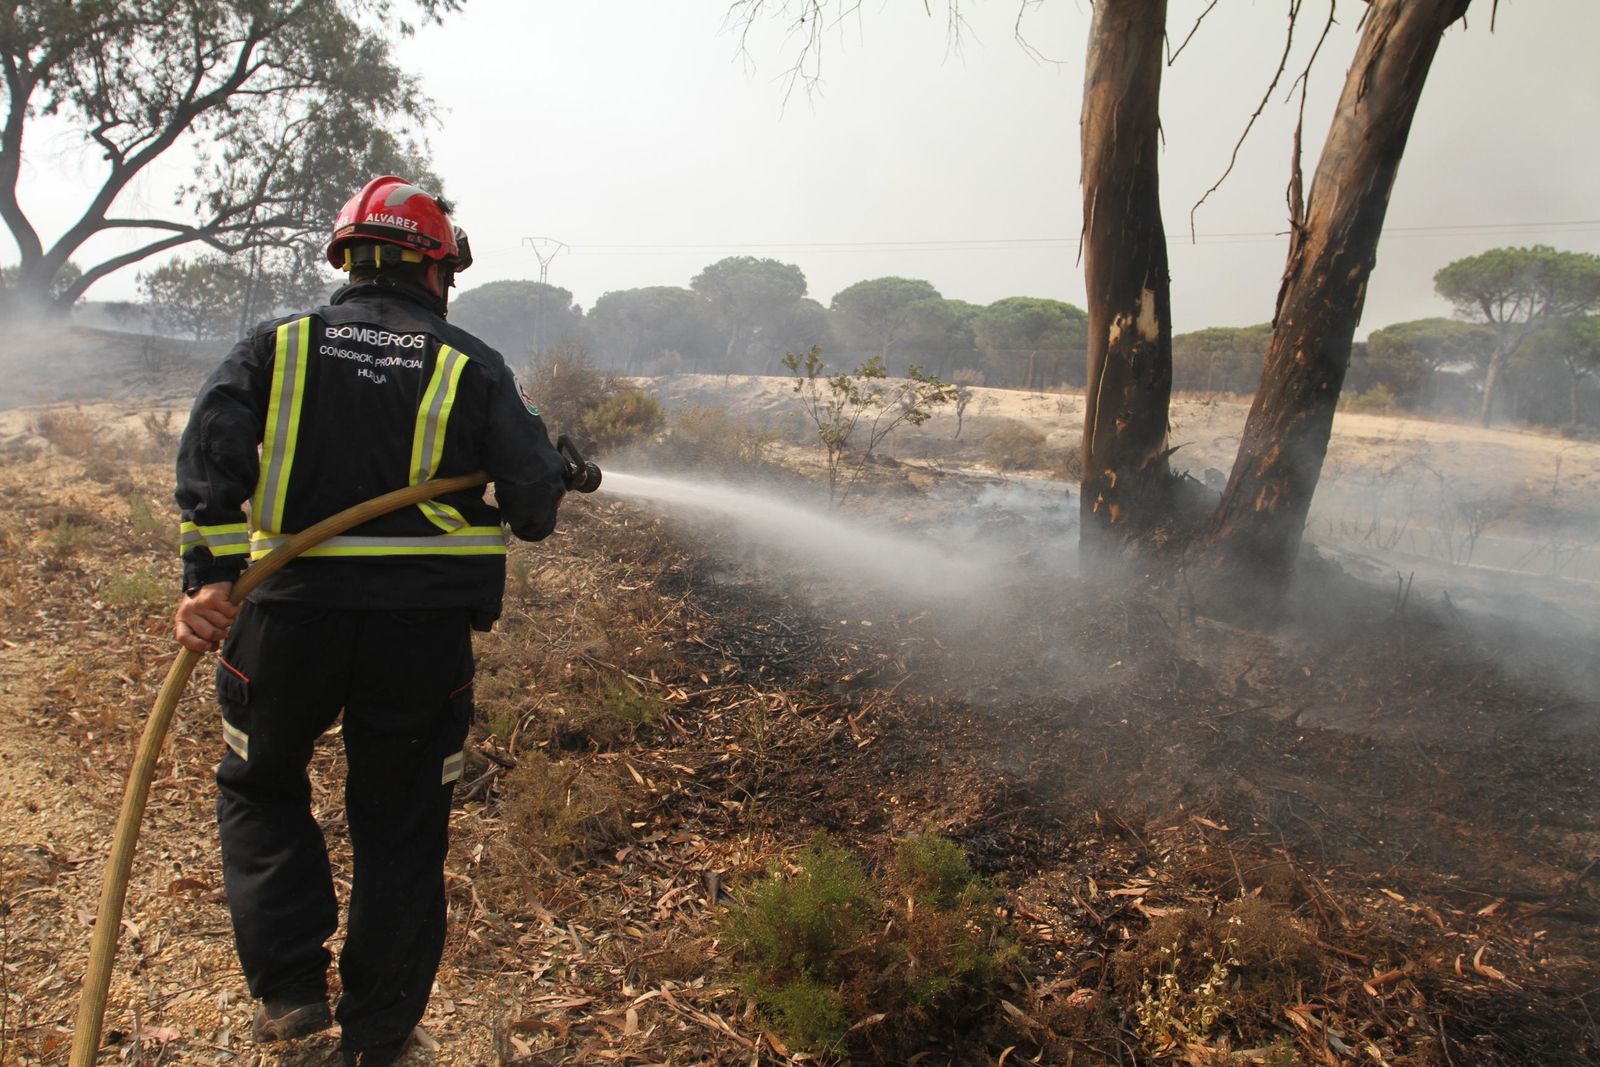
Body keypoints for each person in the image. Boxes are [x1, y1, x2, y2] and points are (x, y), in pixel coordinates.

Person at [173, 176, 569, 1066]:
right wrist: (545, 466)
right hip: (417, 639)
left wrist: (210, 575)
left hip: (289, 619)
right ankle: (380, 1036)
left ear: (347, 258)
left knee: (260, 782)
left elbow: (213, 440)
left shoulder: (278, 344)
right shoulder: (472, 364)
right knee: (401, 823)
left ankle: (290, 996)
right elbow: (534, 506)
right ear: (436, 268)